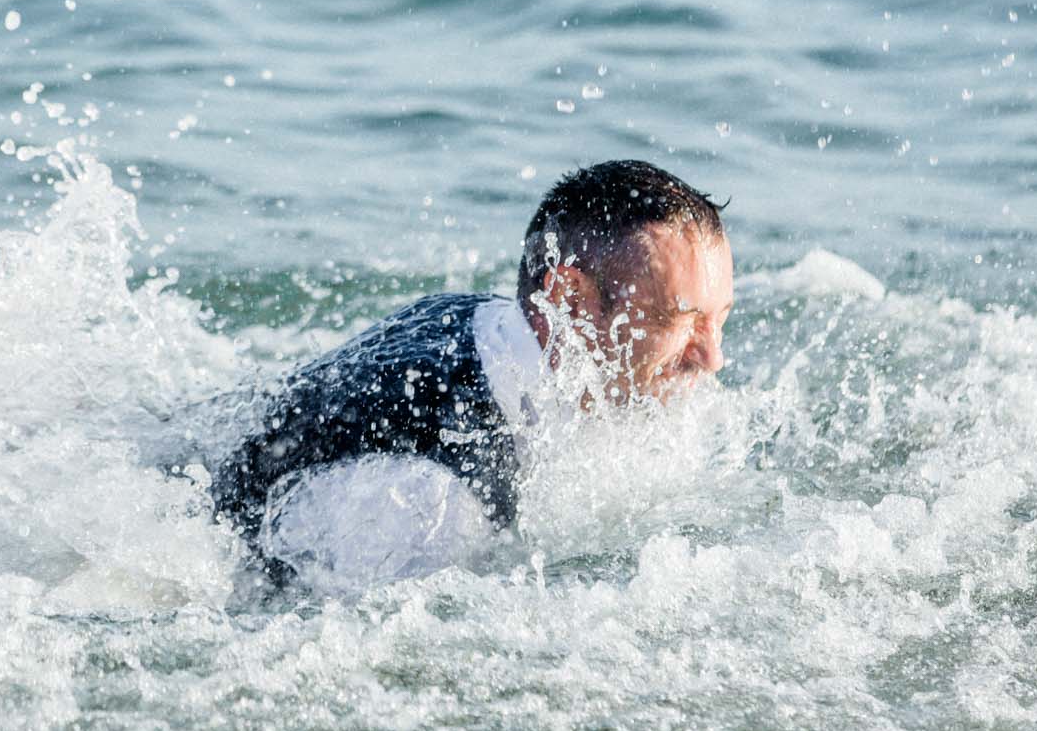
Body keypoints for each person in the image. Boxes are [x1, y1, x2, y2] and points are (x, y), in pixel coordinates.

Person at [210, 159, 732, 592]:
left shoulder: (498, 328)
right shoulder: (429, 500)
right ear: (568, 298)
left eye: (721, 319)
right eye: (676, 321)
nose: (711, 359)